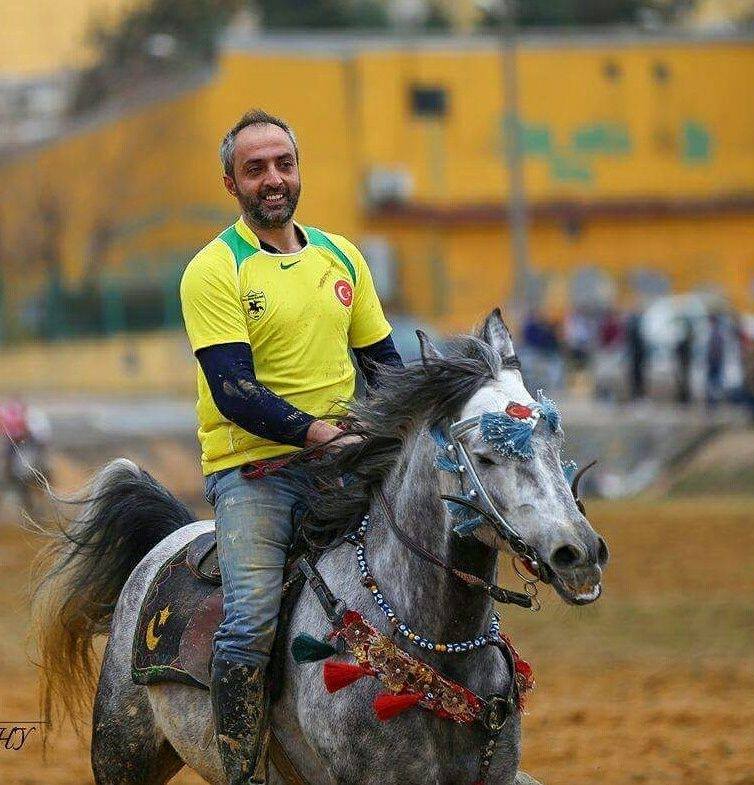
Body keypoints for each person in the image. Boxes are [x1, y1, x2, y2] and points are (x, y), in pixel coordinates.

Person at [180, 109, 403, 784]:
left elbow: (384, 368)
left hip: (345, 463)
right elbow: (233, 390)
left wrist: (402, 429)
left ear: (298, 171)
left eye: (283, 163)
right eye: (255, 168)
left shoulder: (341, 256)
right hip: (256, 474)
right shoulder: (213, 270)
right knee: (247, 627)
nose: (272, 179)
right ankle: (244, 771)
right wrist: (321, 432)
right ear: (231, 182)